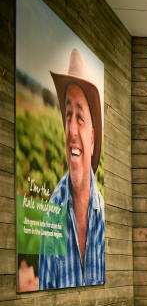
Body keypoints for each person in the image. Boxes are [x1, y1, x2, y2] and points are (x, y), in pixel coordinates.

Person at [38, 48, 105, 290]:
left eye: (80, 117)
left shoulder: (105, 216)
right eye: (68, 116)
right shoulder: (52, 215)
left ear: (93, 137)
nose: (72, 131)